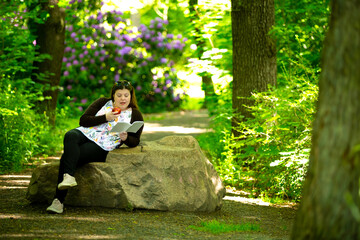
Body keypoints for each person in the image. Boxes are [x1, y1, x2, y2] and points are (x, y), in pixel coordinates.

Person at [46, 80, 144, 214]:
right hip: (86, 133)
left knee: (67, 157)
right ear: (113, 95)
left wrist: (126, 138)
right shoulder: (102, 103)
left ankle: (58, 201)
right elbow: (84, 120)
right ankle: (68, 177)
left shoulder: (135, 114)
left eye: (126, 95)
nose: (123, 99)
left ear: (131, 96)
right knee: (70, 135)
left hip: (103, 144)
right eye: (119, 95)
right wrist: (105, 117)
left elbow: (135, 140)